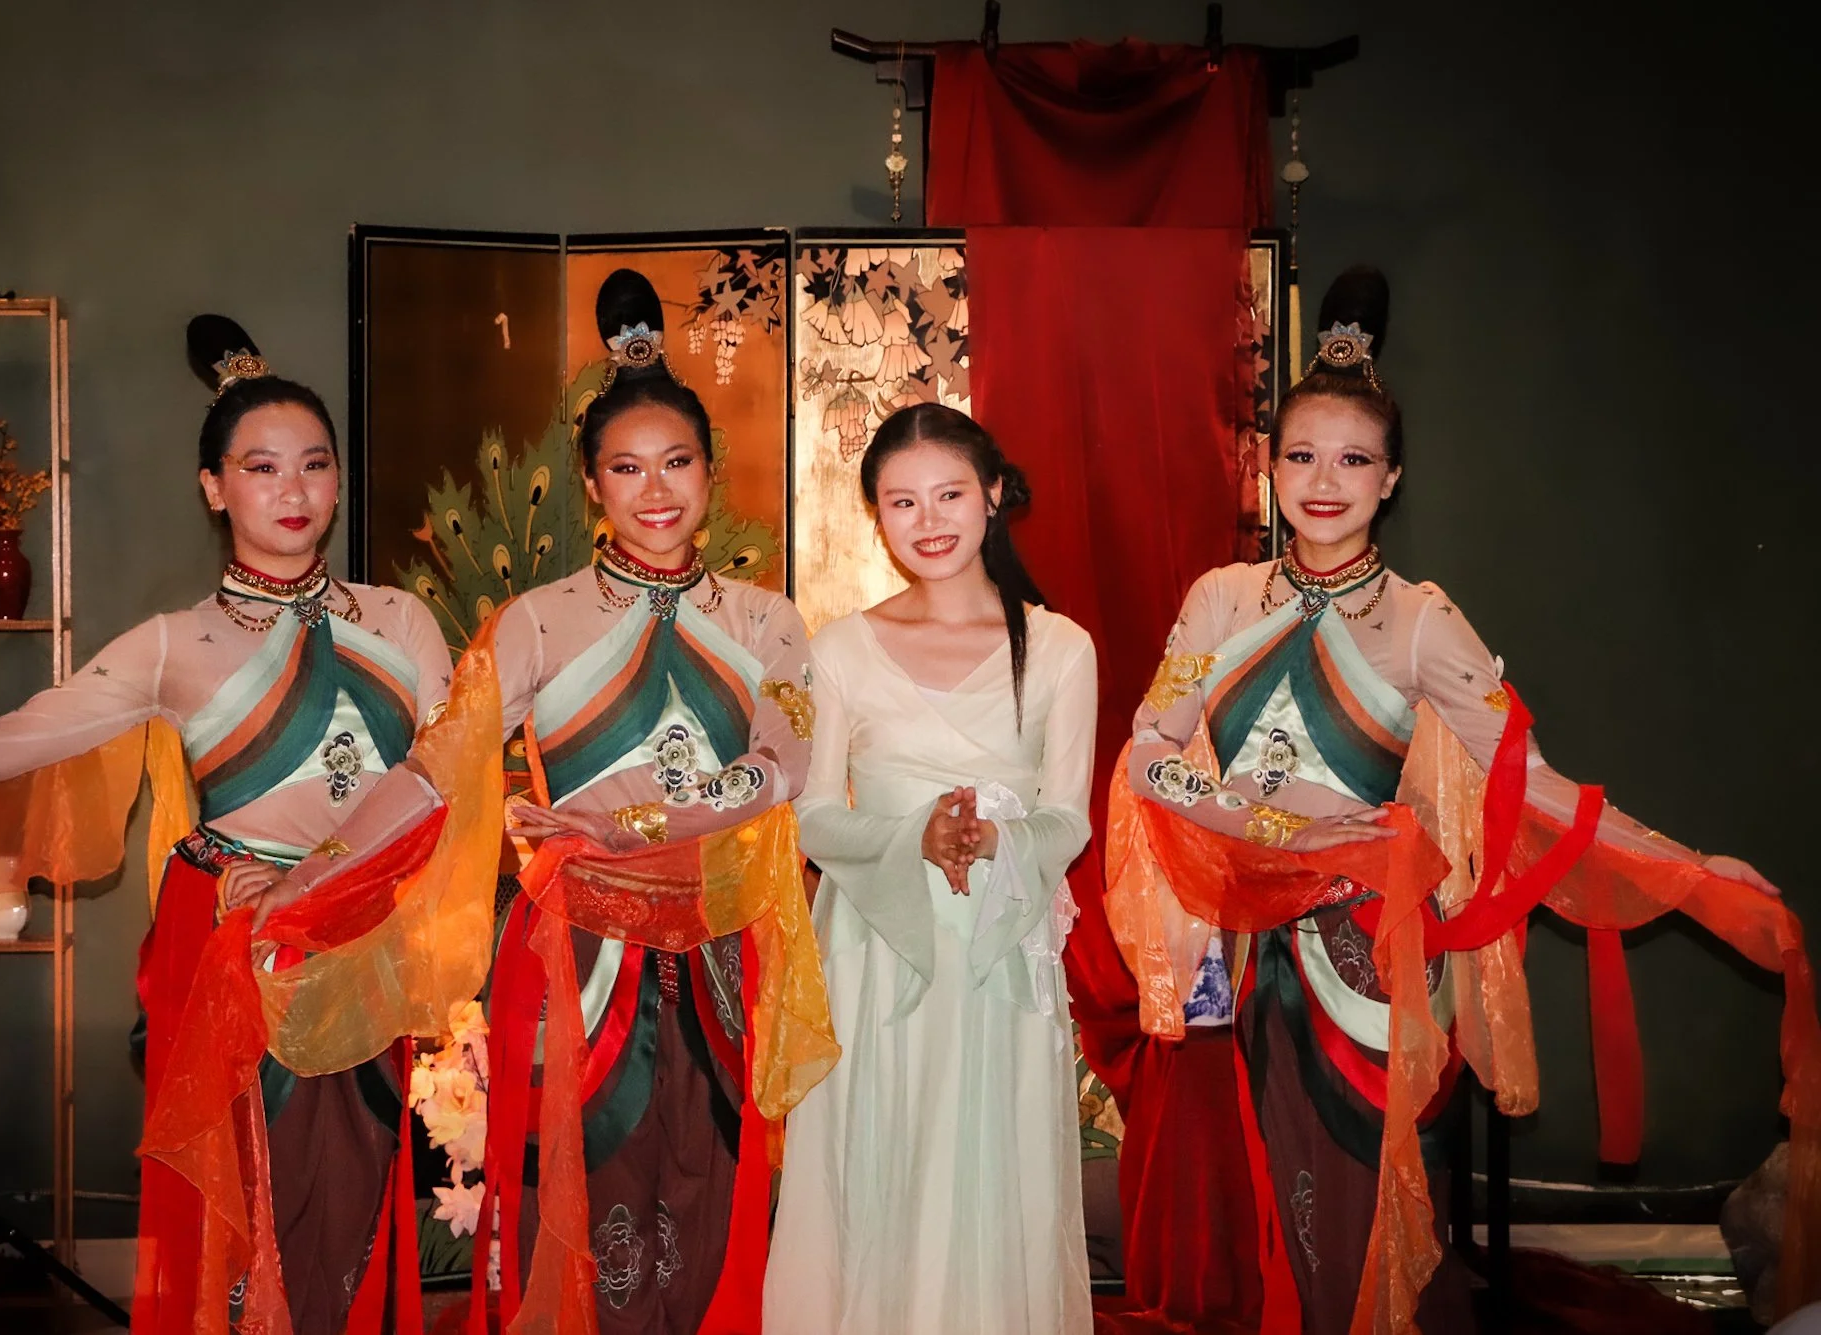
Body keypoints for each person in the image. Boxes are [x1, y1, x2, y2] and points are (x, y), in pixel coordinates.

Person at [1111, 269, 1798, 1335]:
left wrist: (1692, 869)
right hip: (1252, 951)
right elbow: (1146, 752)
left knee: (1370, 1199)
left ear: (1391, 478)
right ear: (1270, 470)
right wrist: (1269, 821)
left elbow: (1535, 786)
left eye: (1351, 459)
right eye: (1300, 455)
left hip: (1372, 957)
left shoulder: (1425, 623)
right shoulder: (1217, 598)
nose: (1322, 480)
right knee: (1273, 1195)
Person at [0, 316, 479, 1335]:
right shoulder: (169, 646)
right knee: (245, 1225)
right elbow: (2, 744)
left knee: (354, 1210)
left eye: (313, 465)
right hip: (236, 948)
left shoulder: (399, 619)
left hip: (361, 939)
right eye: (261, 466)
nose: (292, 491)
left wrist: (319, 876)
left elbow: (439, 773)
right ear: (213, 486)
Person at [475, 269, 835, 1335]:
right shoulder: (535, 620)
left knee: (713, 1181)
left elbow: (783, 766)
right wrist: (511, 808)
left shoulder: (769, 622)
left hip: (726, 937)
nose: (656, 488)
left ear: (710, 471)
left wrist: (628, 822)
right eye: (625, 468)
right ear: (589, 483)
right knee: (597, 1180)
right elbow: (449, 760)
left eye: (675, 461)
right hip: (581, 946)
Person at [763, 403, 1097, 1334]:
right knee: (880, 1153)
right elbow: (818, 813)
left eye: (949, 492)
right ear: (877, 514)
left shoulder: (1062, 648)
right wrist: (913, 835)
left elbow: (1069, 816)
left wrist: (994, 841)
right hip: (878, 943)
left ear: (992, 493)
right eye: (901, 501)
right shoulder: (840, 649)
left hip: (1000, 945)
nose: (930, 519)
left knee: (993, 1163)